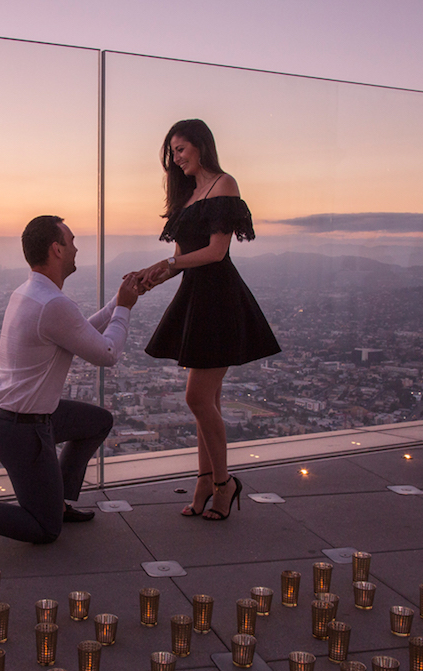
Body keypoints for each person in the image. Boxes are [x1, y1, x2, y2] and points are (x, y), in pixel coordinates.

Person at [0, 215, 141, 550]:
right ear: (57, 249)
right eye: (71, 241)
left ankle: (60, 501)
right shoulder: (53, 303)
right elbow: (107, 352)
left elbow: (81, 331)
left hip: (19, 415)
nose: (76, 247)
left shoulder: (29, 293)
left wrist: (118, 300)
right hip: (23, 428)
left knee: (97, 422)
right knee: (44, 529)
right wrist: (124, 308)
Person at [132, 119, 281, 521]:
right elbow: (181, 259)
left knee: (197, 398)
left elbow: (216, 252)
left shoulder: (224, 185)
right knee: (206, 401)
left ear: (201, 146)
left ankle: (223, 483)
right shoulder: (188, 197)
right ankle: (206, 482)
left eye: (180, 149)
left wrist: (166, 262)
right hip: (197, 299)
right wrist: (149, 278)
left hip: (219, 298)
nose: (175, 159)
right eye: (171, 153)